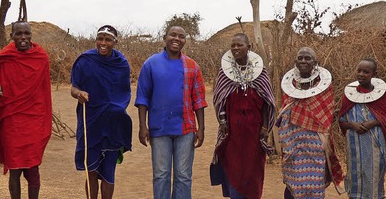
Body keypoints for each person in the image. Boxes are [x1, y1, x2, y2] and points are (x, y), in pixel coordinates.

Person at [135, 25, 207, 199]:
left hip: (186, 129)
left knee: (183, 176)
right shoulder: (151, 64)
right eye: (173, 35)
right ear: (164, 37)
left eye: (181, 36)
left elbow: (198, 100)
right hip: (159, 128)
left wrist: (201, 128)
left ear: (185, 41)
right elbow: (143, 97)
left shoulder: (192, 66)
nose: (177, 39)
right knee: (161, 175)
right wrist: (142, 126)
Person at [0, 21, 53, 199]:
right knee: (14, 169)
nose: (23, 38)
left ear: (31, 35)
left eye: (26, 34)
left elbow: (44, 90)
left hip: (34, 118)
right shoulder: (4, 57)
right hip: (12, 120)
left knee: (32, 168)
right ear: (12, 36)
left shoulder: (41, 57)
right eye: (19, 34)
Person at [210, 33, 276, 199]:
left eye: (239, 45)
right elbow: (220, 98)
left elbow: (268, 102)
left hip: (255, 134)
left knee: (253, 170)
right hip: (232, 132)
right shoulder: (225, 72)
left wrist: (265, 127)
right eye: (233, 45)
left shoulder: (260, 72)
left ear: (249, 47)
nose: (235, 48)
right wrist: (223, 120)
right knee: (234, 167)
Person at [70, 25, 132, 199]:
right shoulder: (85, 61)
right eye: (100, 39)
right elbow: (73, 89)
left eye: (108, 39)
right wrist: (79, 94)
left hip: (113, 124)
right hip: (90, 121)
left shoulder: (121, 64)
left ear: (115, 42)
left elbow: (124, 93)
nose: (103, 43)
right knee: (91, 170)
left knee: (108, 173)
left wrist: (115, 109)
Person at [277, 47, 343, 198]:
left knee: (315, 182)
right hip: (292, 143)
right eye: (300, 58)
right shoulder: (289, 85)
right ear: (295, 62)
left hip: (315, 144)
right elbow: (284, 111)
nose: (303, 61)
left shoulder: (324, 87)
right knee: (293, 179)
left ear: (315, 63)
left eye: (307, 58)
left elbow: (326, 114)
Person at [338, 58, 386, 199]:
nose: (361, 74)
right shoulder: (349, 94)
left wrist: (372, 123)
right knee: (355, 173)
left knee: (373, 174)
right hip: (354, 143)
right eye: (359, 70)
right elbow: (342, 121)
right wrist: (352, 125)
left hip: (374, 142)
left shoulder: (380, 95)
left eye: (366, 72)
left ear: (374, 74)